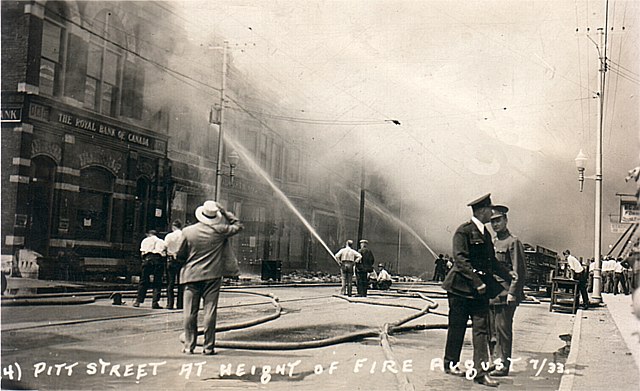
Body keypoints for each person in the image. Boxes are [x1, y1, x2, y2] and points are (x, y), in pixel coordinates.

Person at [442, 193, 513, 387]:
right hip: (459, 288)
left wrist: (509, 275)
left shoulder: (486, 234)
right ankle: (450, 362)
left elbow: (491, 262)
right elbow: (460, 260)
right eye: (490, 209)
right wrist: (477, 282)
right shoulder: (463, 231)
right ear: (482, 211)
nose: (492, 213)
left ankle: (480, 372)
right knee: (457, 326)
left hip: (478, 291)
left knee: (481, 329)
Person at [177, 200, 244, 355]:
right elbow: (239, 226)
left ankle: (189, 346)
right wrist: (225, 212)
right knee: (210, 311)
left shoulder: (188, 232)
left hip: (191, 275)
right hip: (213, 276)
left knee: (189, 312)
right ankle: (208, 347)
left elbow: (180, 255)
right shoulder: (220, 231)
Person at [487, 205, 526, 377]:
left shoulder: (513, 242)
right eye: (492, 221)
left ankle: (503, 364)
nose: (495, 224)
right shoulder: (493, 242)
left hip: (504, 293)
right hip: (490, 293)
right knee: (491, 331)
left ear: (505, 220)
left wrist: (512, 292)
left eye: (498, 220)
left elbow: (520, 271)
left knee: (503, 330)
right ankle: (493, 361)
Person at [133, 230, 166, 309]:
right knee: (157, 282)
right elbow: (164, 254)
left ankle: (138, 301)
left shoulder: (145, 240)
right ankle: (155, 302)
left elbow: (142, 253)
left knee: (143, 280)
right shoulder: (161, 241)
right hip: (158, 260)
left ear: (149, 234)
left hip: (147, 259)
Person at [164, 220, 185, 310]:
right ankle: (180, 304)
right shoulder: (184, 235)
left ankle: (170, 304)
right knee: (181, 283)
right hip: (182, 261)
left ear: (173, 227)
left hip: (171, 260)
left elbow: (164, 247)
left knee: (170, 283)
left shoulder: (169, 236)